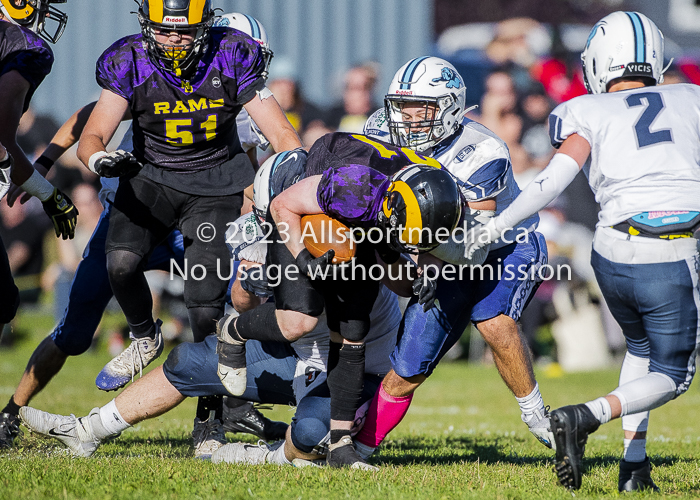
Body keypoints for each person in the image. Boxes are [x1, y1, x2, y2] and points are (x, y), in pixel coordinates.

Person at [0, 6, 294, 456]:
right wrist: (43, 166)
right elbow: (88, 120)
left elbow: (273, 158)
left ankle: (216, 414)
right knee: (78, 325)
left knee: (212, 306)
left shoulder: (244, 88)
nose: (254, 62)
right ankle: (13, 411)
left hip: (205, 206)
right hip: (144, 203)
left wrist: (265, 216)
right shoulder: (143, 63)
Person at [17, 154, 402, 470]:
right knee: (188, 360)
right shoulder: (274, 235)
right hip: (299, 356)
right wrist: (251, 283)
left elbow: (298, 323)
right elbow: (243, 303)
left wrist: (277, 283)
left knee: (311, 435)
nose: (262, 218)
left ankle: (271, 457)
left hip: (355, 366)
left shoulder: (340, 241)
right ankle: (89, 431)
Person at [464, 11, 700, 492]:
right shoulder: (691, 98)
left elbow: (550, 181)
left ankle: (634, 468)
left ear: (598, 63)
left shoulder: (587, 110)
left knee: (640, 349)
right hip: (669, 249)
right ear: (654, 56)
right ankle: (585, 415)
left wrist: (497, 226)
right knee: (675, 375)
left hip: (611, 249)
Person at [215, 130, 462, 468]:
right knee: (298, 321)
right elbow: (281, 205)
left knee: (353, 327)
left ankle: (340, 445)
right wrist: (302, 257)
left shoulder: (439, 192)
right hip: (308, 212)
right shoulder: (352, 188)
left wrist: (427, 274)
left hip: (370, 219)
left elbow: (429, 247)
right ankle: (233, 330)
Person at [354, 57, 551, 459]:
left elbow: (473, 239)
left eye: (420, 108)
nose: (407, 119)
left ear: (450, 107)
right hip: (434, 251)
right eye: (401, 106)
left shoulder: (481, 151)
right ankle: (356, 449)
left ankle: (538, 415)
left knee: (493, 320)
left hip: (503, 246)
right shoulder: (380, 130)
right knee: (405, 371)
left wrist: (426, 264)